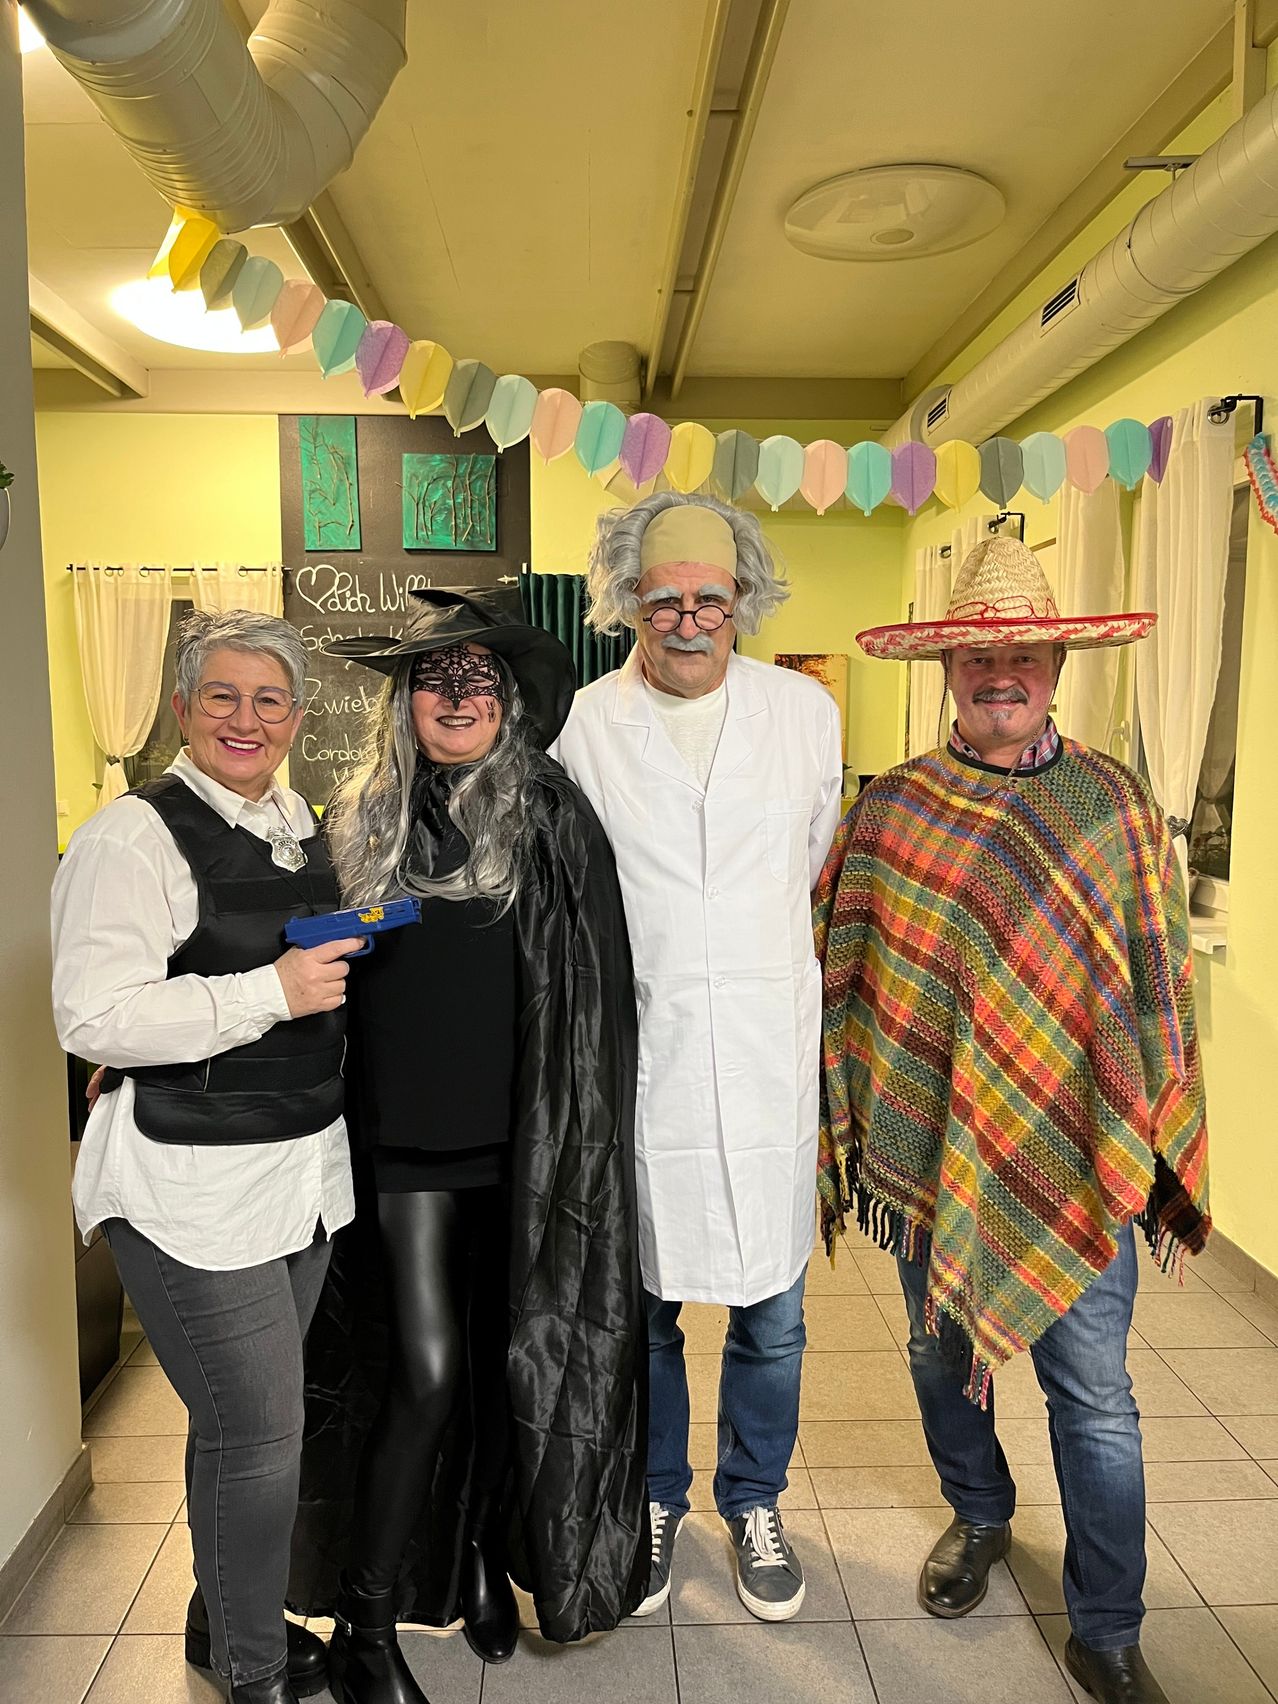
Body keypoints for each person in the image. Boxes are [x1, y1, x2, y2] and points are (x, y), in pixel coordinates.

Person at [815, 537, 1211, 1704]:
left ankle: (1108, 1624)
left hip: (1082, 1154)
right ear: (949, 667)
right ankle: (979, 1517)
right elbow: (849, 967)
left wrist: (1152, 1123)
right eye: (979, 650)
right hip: (933, 1154)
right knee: (941, 1362)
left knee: (1095, 1399)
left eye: (1023, 651)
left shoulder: (1116, 807)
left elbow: (1155, 978)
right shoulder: (893, 810)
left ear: (1056, 663)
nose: (1003, 669)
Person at [287, 586, 647, 1704]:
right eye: (434, 679)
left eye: (478, 680)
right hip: (401, 1152)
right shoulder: (357, 822)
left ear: (507, 704)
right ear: (405, 702)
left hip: (522, 1147)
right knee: (429, 1372)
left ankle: (487, 1556)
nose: (456, 697)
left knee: (510, 1360)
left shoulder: (549, 812)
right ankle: (366, 1619)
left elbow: (593, 993)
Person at [51, 609, 363, 1704]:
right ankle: (254, 1668)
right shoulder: (128, 839)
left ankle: (215, 1615)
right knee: (261, 1434)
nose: (247, 717)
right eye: (222, 696)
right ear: (181, 708)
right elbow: (92, 1017)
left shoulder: (294, 818)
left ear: (296, 716)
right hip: (187, 1190)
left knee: (235, 1431)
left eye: (270, 699)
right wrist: (265, 995)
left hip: (297, 1176)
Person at [552, 493, 844, 1622]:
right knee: (653, 1307)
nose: (686, 620)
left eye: (709, 599)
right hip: (651, 1053)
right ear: (627, 599)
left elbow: (806, 855)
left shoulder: (803, 714)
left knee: (774, 1312)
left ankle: (755, 1499)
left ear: (743, 603)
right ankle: (658, 1496)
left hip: (768, 1049)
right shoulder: (584, 721)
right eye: (663, 598)